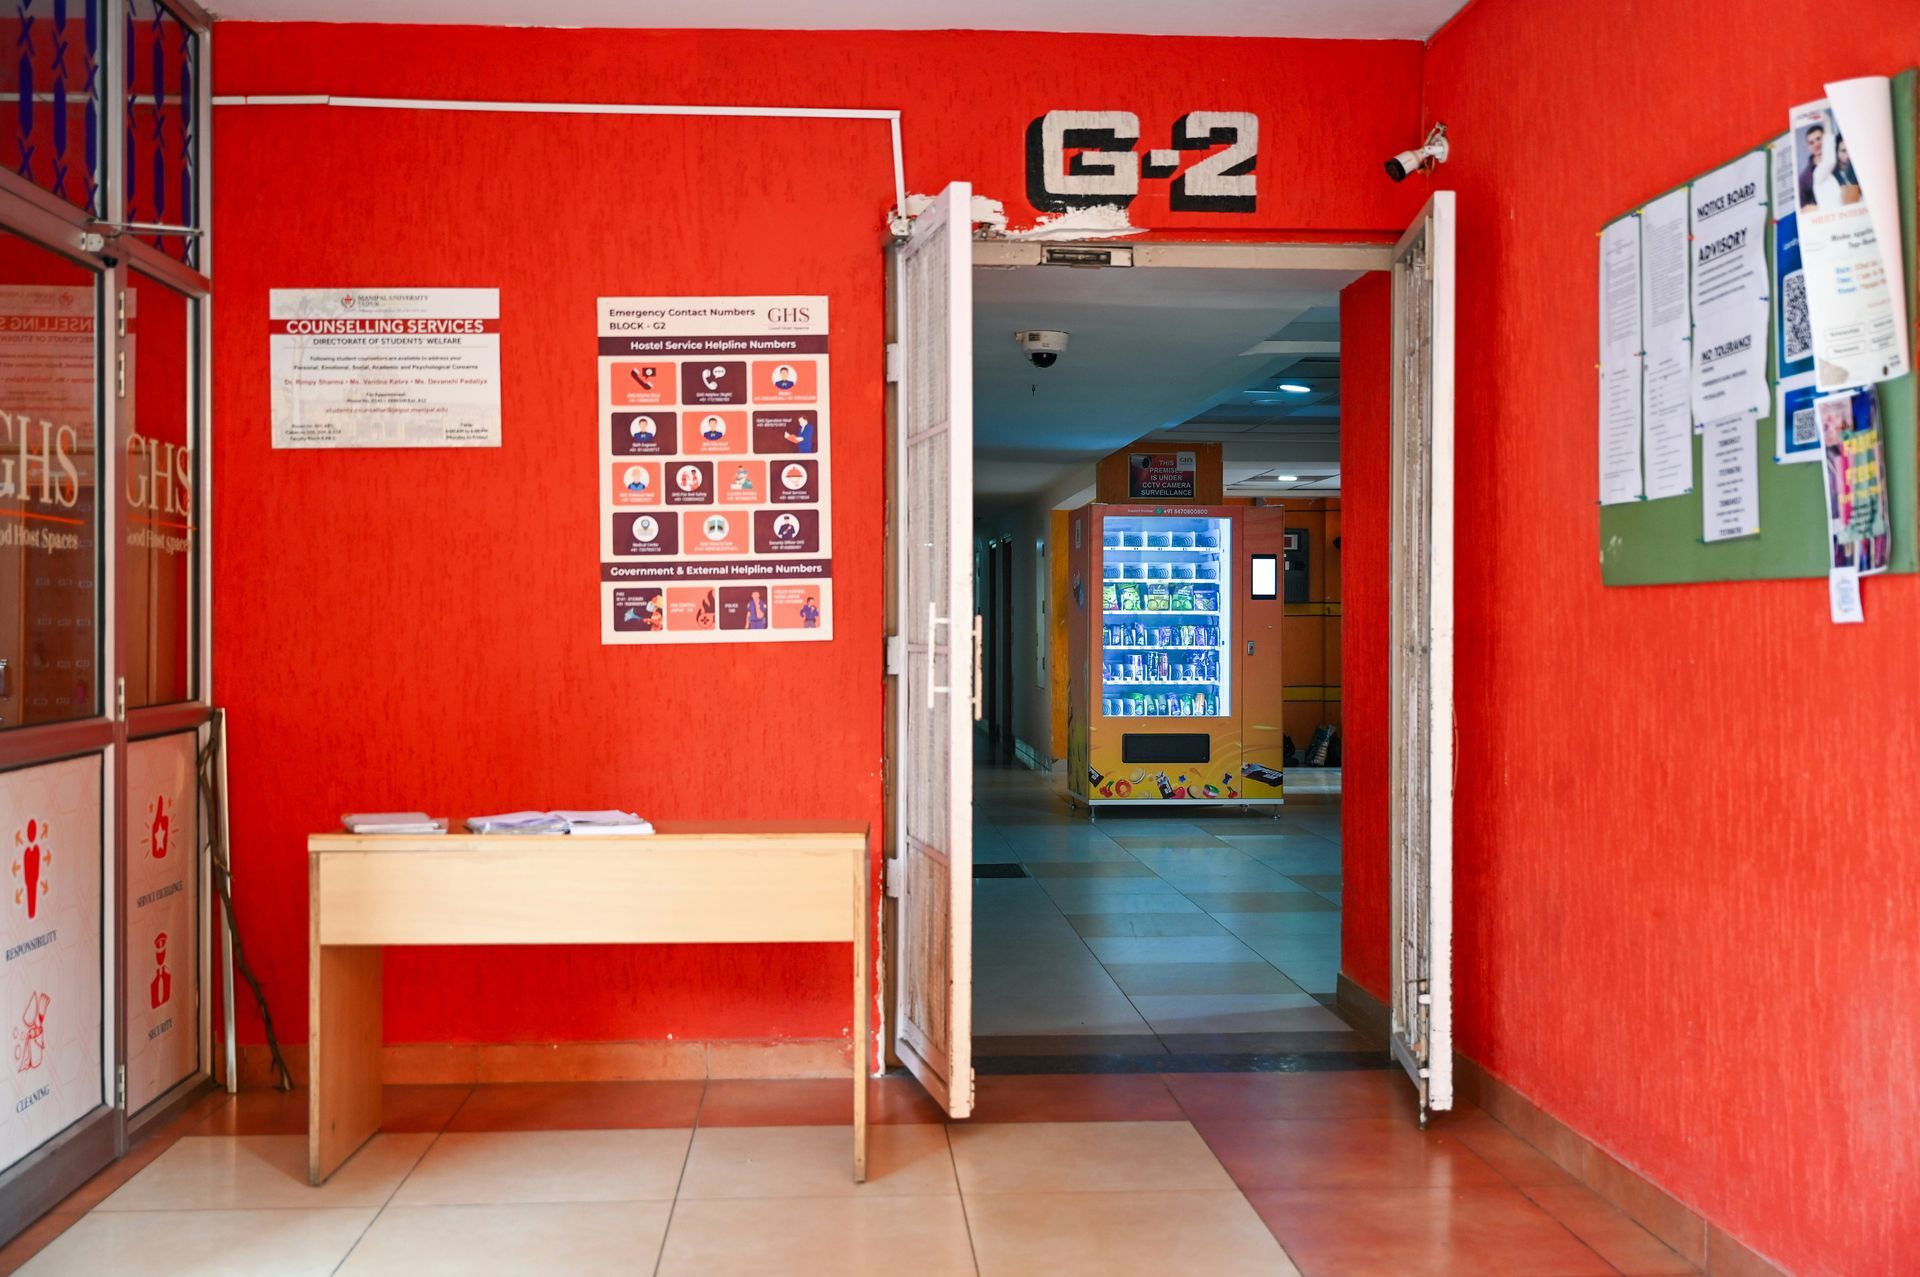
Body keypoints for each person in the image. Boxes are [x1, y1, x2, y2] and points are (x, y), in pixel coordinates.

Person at [1798, 122, 1825, 210]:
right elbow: (1803, 208)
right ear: (1808, 147)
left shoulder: (1840, 161)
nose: (1816, 144)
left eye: (1818, 139)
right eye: (1811, 142)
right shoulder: (1804, 178)